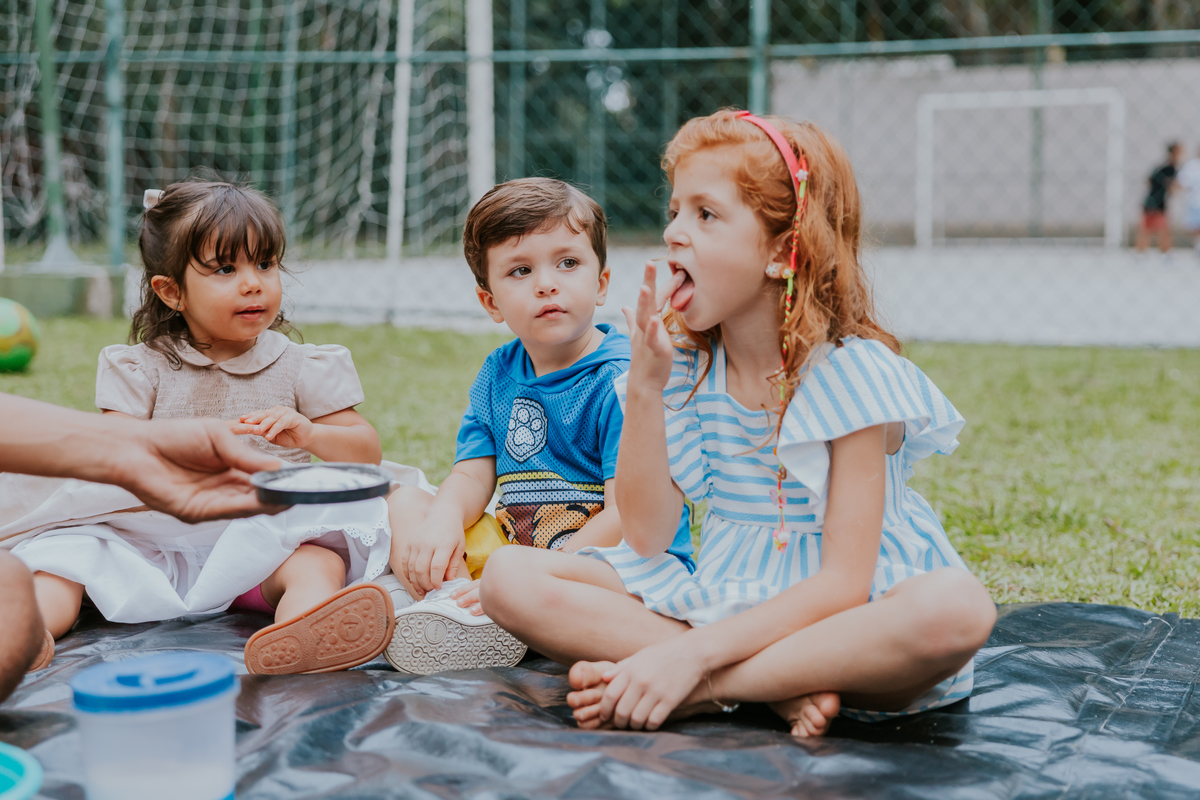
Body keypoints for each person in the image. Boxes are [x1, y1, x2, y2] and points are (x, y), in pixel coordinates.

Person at [479, 111, 996, 738]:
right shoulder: (687, 369)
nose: (674, 233)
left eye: (705, 214)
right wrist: (643, 389)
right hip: (725, 596)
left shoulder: (853, 375)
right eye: (675, 212)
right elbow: (646, 535)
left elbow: (841, 585)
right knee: (510, 576)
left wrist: (688, 658)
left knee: (957, 607)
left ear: (781, 249)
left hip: (843, 628)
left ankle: (707, 688)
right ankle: (770, 691)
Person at [8, 179, 398, 676]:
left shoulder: (301, 366)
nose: (253, 282)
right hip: (147, 543)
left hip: (258, 541)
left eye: (265, 264)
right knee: (64, 561)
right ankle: (27, 634)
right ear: (171, 292)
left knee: (316, 563)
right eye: (225, 269)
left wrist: (311, 435)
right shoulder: (141, 367)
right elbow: (114, 454)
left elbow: (365, 451)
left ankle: (303, 635)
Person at [381, 178, 695, 675]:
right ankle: (460, 611)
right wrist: (443, 518)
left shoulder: (620, 378)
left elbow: (624, 518)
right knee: (407, 501)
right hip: (514, 552)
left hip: (608, 565)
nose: (547, 283)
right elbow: (471, 475)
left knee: (512, 576)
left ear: (602, 282)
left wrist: (538, 570)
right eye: (521, 271)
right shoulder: (498, 374)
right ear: (491, 304)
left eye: (568, 263)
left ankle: (449, 603)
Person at [0, 392, 284, 703]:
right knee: (48, 565)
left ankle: (301, 624)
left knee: (22, 576)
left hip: (194, 533)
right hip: (129, 531)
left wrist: (139, 446)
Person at [1136, 142, 1182, 254]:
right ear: (1174, 153)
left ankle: (1141, 252)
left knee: (1147, 229)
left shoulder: (1160, 166)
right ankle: (1164, 253)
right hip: (1158, 202)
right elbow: (1173, 186)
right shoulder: (1170, 167)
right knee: (1162, 230)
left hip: (1150, 199)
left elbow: (1149, 180)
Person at [1177, 144, 1200, 255]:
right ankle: (1198, 247)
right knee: (1195, 226)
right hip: (1194, 201)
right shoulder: (1191, 165)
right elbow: (1183, 181)